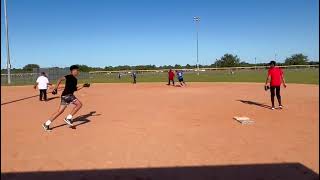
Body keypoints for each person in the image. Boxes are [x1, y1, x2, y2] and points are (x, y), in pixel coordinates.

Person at [42, 65, 83, 131]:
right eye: (77, 70)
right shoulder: (69, 76)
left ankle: (46, 124)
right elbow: (60, 79)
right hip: (68, 95)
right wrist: (55, 88)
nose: (78, 72)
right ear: (73, 70)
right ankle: (68, 118)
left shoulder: (75, 79)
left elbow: (75, 89)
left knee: (60, 111)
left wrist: (83, 86)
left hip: (65, 96)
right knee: (79, 104)